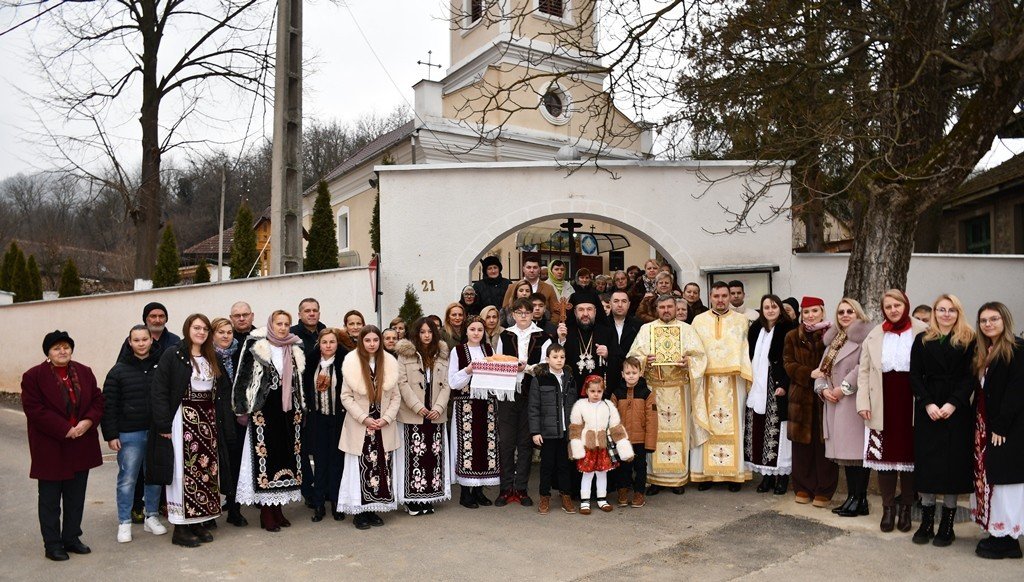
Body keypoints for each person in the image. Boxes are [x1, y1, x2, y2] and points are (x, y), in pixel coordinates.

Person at [22, 330, 104, 561]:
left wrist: (88, 422)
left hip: (80, 444)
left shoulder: (84, 372)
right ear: (48, 352)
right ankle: (52, 544)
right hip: (51, 446)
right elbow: (34, 410)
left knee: (75, 497)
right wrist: (64, 429)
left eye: (66, 347)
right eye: (56, 348)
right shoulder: (33, 376)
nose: (62, 351)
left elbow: (98, 400)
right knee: (49, 499)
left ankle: (71, 538)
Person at [151, 315, 228, 548]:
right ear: (187, 329)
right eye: (196, 327)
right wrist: (163, 424)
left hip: (207, 422)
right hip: (182, 418)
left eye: (205, 329)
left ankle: (197, 520)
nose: (201, 332)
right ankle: (180, 527)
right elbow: (159, 389)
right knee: (182, 471)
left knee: (205, 471)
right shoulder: (174, 354)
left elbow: (221, 390)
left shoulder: (212, 356)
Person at [858, 290, 928, 533]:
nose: (893, 310)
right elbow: (864, 371)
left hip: (912, 402)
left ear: (905, 305)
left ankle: (906, 507)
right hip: (882, 402)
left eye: (897, 305)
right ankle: (888, 508)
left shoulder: (923, 331)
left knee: (909, 458)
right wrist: (863, 402)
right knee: (884, 457)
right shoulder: (875, 334)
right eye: (888, 306)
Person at [232, 310, 307, 533]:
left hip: (288, 411)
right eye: (278, 323)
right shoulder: (256, 344)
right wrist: (241, 408)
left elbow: (299, 381)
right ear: (271, 325)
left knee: (285, 458)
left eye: (286, 324)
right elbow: (243, 376)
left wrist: (302, 407)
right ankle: (266, 511)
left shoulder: (294, 347)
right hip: (264, 411)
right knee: (266, 457)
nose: (283, 328)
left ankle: (278, 508)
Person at [910, 294, 976, 546]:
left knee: (952, 465)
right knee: (927, 464)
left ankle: (947, 524)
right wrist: (927, 403)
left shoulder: (968, 340)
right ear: (934, 313)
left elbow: (970, 377)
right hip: (928, 408)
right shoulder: (922, 340)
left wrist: (953, 403)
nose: (946, 314)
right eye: (941, 309)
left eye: (951, 310)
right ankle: (926, 521)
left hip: (956, 410)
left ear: (958, 313)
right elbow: (914, 375)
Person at [626, 295, 708, 494]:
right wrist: (645, 360)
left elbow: (700, 357)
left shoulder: (687, 329)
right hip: (655, 389)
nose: (666, 310)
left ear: (676, 308)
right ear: (656, 309)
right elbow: (632, 357)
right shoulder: (646, 329)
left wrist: (689, 362)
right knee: (654, 432)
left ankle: (678, 480)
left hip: (679, 389)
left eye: (669, 306)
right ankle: (655, 480)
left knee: (679, 433)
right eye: (662, 307)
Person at [102, 325, 167, 543]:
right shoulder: (118, 371)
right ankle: (124, 522)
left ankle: (151, 517)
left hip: (157, 432)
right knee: (127, 479)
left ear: (151, 340)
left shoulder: (161, 366)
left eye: (144, 339)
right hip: (130, 434)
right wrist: (111, 435)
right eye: (136, 340)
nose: (141, 343)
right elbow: (108, 405)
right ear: (130, 342)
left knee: (154, 477)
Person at [972, 302, 1024, 559]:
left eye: (994, 319)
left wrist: (1002, 425)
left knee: (1005, 481)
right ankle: (1000, 534)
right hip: (986, 425)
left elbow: (1017, 389)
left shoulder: (1017, 349)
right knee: (992, 477)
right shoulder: (985, 351)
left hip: (1007, 428)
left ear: (1005, 320)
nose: (988, 324)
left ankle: (1007, 538)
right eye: (983, 320)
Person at [690, 282, 754, 491]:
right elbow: (693, 350)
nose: (720, 300)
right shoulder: (699, 320)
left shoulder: (741, 320)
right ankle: (706, 475)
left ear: (729, 298)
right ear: (710, 297)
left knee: (735, 426)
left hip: (733, 381)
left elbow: (745, 350)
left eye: (724, 296)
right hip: (706, 380)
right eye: (716, 296)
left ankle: (733, 475)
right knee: (706, 426)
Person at [338, 326, 401, 529]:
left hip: (382, 425)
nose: (372, 344)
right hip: (361, 426)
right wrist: (364, 418)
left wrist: (387, 418)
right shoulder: (352, 362)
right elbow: (345, 397)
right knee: (360, 469)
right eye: (367, 340)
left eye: (375, 340)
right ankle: (360, 512)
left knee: (381, 467)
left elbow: (396, 397)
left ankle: (373, 509)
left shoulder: (389, 363)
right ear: (361, 341)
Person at [816, 299, 872, 518]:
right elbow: (821, 371)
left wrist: (843, 388)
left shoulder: (865, 340)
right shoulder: (834, 341)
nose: (845, 315)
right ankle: (853, 498)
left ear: (858, 314)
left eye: (850, 311)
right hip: (834, 403)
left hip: (852, 403)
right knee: (847, 457)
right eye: (841, 312)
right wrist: (823, 390)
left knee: (856, 455)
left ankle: (860, 498)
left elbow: (863, 368)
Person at [494, 297, 548, 507]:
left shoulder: (543, 336)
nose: (523, 316)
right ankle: (506, 488)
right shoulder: (505, 335)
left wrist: (526, 368)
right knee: (506, 442)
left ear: (533, 313)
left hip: (530, 393)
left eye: (527, 312)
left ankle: (522, 488)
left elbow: (545, 366)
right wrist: (511, 367)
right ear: (513, 315)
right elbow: (498, 362)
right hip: (508, 394)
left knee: (525, 443)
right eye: (519, 312)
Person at [395, 318, 452, 516]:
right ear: (416, 334)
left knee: (432, 458)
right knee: (413, 458)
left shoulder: (442, 354)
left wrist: (439, 407)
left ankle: (429, 496)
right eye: (422, 332)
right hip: (413, 413)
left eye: (430, 331)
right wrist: (417, 407)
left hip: (435, 413)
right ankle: (411, 500)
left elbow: (447, 383)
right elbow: (402, 383)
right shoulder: (405, 355)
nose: (426, 335)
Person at [784, 296, 836, 507]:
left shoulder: (833, 335)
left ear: (822, 312)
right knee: (802, 445)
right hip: (801, 396)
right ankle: (803, 487)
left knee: (824, 443)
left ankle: (824, 489)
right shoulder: (792, 336)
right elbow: (788, 363)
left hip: (826, 396)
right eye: (806, 311)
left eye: (815, 311)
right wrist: (809, 373)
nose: (810, 315)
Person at [447, 317, 502, 508]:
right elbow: (453, 382)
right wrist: (468, 370)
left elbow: (496, 375)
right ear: (466, 331)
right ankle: (465, 493)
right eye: (472, 329)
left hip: (486, 404)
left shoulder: (489, 349)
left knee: (485, 446)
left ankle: (479, 490)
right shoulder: (458, 350)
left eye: (480, 329)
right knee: (467, 447)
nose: (476, 333)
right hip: (466, 404)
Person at [745, 295, 796, 495]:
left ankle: (782, 478)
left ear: (780, 309)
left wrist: (784, 384)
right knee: (760, 431)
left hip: (776, 384)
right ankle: (766, 476)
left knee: (778, 431)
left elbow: (790, 360)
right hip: (758, 383)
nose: (770, 310)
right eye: (766, 307)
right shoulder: (755, 329)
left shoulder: (788, 329)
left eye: (774, 307)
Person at [301, 328, 349, 523]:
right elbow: (305, 389)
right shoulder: (311, 363)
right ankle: (319, 503)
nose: (328, 346)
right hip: (318, 419)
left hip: (338, 419)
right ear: (319, 344)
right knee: (320, 462)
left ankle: (337, 502)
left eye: (332, 342)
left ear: (337, 344)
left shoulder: (345, 362)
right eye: (324, 342)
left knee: (337, 462)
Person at [569, 375, 634, 514]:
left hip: (604, 447)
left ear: (603, 391)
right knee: (587, 474)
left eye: (599, 391)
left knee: (602, 473)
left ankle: (602, 499)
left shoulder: (608, 406)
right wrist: (576, 445)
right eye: (592, 391)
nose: (596, 394)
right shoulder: (580, 405)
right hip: (587, 447)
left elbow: (616, 426)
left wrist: (623, 446)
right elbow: (575, 427)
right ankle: (585, 501)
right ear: (586, 390)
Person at [528, 344, 578, 514]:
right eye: (555, 357)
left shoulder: (570, 378)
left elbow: (574, 406)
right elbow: (533, 408)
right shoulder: (539, 379)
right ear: (547, 359)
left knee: (564, 465)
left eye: (562, 357)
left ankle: (566, 496)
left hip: (565, 431)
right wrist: (535, 432)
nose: (559, 360)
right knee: (547, 466)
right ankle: (544, 496)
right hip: (547, 432)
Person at [211, 316, 247, 527]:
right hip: (214, 418)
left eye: (229, 332)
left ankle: (234, 509)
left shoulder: (238, 354)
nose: (226, 336)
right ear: (213, 335)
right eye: (221, 332)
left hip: (237, 419)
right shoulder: (207, 357)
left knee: (235, 465)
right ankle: (210, 512)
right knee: (212, 467)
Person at [611, 357, 657, 508]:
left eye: (634, 372)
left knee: (640, 467)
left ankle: (639, 493)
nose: (631, 376)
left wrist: (650, 443)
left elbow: (652, 419)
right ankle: (622, 491)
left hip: (640, 439)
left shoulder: (646, 394)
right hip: (623, 440)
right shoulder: (617, 393)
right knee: (623, 467)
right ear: (622, 374)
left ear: (640, 373)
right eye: (628, 373)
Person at [560, 290, 618, 394]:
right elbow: (557, 360)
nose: (585, 314)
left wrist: (607, 355)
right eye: (581, 310)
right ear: (575, 312)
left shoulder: (607, 332)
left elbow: (619, 361)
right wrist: (561, 340)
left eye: (589, 309)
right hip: (572, 392)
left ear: (595, 311)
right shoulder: (566, 332)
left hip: (598, 393)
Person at [608, 290, 642, 388]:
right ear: (610, 304)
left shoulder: (638, 326)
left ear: (629, 304)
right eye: (616, 301)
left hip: (632, 377)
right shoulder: (601, 325)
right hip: (608, 376)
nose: (620, 305)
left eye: (624, 301)